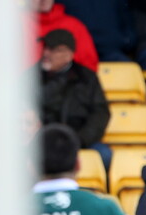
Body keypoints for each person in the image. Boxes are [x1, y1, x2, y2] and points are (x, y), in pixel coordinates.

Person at [34, 29, 111, 169]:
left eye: (53, 50)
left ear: (69, 55)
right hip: (41, 141)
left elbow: (100, 113)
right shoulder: (30, 77)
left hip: (79, 140)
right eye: (45, 47)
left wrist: (79, 140)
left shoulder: (87, 78)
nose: (46, 53)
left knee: (103, 155)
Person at [29, 0, 99, 73]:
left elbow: (88, 69)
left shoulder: (73, 26)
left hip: (67, 82)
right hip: (23, 82)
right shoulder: (18, 25)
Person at [61, 0, 135, 63]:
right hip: (76, 54)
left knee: (128, 71)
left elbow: (125, 16)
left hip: (111, 51)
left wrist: (127, 41)